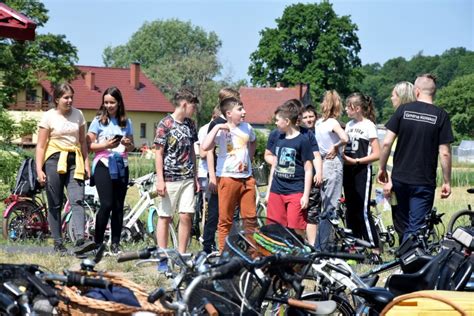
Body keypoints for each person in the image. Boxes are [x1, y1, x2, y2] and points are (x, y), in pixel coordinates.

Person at [377, 74, 454, 241]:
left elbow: (386, 143)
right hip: (423, 181)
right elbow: (445, 152)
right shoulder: (441, 116)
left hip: (400, 179)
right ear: (434, 93)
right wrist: (447, 181)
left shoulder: (403, 111)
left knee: (404, 224)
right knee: (416, 227)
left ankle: (405, 261)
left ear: (417, 91)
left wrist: (382, 168)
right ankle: (409, 263)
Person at [35, 83, 95, 255]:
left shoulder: (79, 114)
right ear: (57, 99)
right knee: (55, 203)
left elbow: (83, 142)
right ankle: (58, 243)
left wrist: (86, 164)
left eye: (71, 97)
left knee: (77, 199)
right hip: (54, 160)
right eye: (66, 97)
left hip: (74, 159)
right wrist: (40, 169)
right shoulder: (48, 117)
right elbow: (40, 146)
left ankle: (79, 240)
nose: (69, 100)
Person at [202, 96, 257, 253]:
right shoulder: (221, 129)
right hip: (227, 177)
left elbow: (253, 142)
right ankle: (223, 254)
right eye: (240, 109)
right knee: (225, 219)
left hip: (247, 178)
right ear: (228, 113)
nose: (244, 112)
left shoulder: (248, 127)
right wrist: (217, 128)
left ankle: (252, 254)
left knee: (250, 218)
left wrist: (249, 159)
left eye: (243, 108)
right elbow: (205, 146)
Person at [264, 100, 322, 244]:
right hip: (277, 190)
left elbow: (308, 169)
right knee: (274, 228)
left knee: (296, 227)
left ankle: (304, 253)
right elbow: (275, 166)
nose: (276, 123)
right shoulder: (278, 138)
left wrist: (305, 195)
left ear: (287, 121)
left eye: (278, 120)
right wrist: (269, 191)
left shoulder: (303, 140)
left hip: (295, 191)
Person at [87, 86, 134, 255]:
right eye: (106, 102)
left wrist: (128, 144)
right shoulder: (98, 121)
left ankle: (115, 243)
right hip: (103, 164)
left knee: (118, 206)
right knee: (106, 204)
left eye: (112, 102)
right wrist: (106, 145)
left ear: (119, 102)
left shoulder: (126, 122)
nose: (109, 105)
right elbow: (89, 145)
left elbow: (132, 146)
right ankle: (98, 243)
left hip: (121, 163)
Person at [155, 88, 199, 260]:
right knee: (165, 216)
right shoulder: (165, 124)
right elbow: (158, 153)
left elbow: (192, 152)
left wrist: (194, 176)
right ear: (184, 104)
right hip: (169, 178)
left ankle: (182, 255)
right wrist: (160, 179)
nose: (193, 111)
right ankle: (163, 256)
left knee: (186, 215)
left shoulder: (190, 125)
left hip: (187, 178)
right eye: (192, 107)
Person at [201, 88, 240, 254]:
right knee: (215, 211)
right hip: (219, 172)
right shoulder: (216, 123)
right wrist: (212, 176)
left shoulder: (239, 123)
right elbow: (208, 150)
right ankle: (207, 246)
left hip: (235, 173)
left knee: (234, 212)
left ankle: (233, 245)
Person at [343, 93, 381, 250]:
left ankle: (374, 247)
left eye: (348, 106)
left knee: (362, 210)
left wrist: (356, 161)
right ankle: (355, 246)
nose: (345, 109)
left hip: (361, 171)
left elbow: (377, 154)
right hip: (348, 171)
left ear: (357, 108)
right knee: (350, 210)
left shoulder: (368, 126)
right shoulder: (349, 125)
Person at [314, 90, 348, 250]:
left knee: (325, 204)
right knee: (331, 206)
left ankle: (321, 243)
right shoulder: (333, 123)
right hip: (333, 162)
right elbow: (345, 138)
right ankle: (324, 246)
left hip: (321, 162)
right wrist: (336, 146)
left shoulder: (318, 123)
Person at [383, 81, 416, 242]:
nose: (391, 98)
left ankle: (408, 257)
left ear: (401, 97)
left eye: (394, 95)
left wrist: (390, 181)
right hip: (402, 179)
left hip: (399, 180)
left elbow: (398, 151)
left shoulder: (402, 118)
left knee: (401, 223)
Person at [193, 106, 221, 246]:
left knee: (213, 209)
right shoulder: (205, 129)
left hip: (216, 172)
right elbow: (203, 153)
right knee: (209, 209)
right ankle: (207, 239)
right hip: (206, 173)